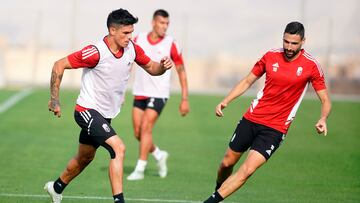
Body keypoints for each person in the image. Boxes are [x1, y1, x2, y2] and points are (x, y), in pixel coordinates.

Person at [44, 8, 174, 203]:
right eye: (125, 33)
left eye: (131, 32)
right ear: (112, 30)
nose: (130, 37)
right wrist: (54, 99)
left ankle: (56, 187)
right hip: (86, 110)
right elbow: (58, 65)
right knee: (118, 148)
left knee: (85, 158)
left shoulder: (132, 48)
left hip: (105, 114)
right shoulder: (95, 52)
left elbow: (152, 68)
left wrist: (162, 67)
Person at [203, 21, 332, 203]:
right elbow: (248, 80)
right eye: (286, 42)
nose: (288, 47)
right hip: (251, 119)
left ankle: (210, 201)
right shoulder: (270, 56)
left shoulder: (311, 65)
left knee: (247, 170)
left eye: (294, 43)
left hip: (275, 129)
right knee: (226, 163)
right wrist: (226, 100)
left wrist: (323, 118)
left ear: (303, 41)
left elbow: (325, 99)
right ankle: (219, 191)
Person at [127, 9, 190, 181]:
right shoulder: (138, 39)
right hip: (140, 92)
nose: (165, 27)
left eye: (167, 24)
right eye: (162, 23)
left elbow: (181, 71)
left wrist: (185, 99)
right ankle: (159, 154)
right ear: (153, 22)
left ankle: (140, 168)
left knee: (146, 127)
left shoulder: (171, 43)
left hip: (159, 93)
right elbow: (128, 62)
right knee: (138, 133)